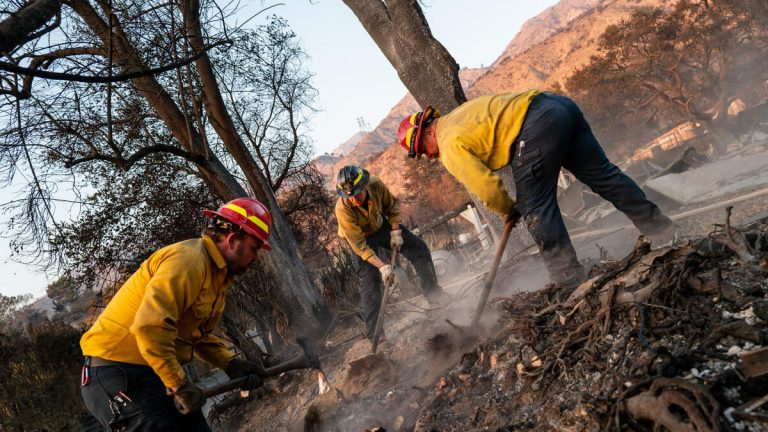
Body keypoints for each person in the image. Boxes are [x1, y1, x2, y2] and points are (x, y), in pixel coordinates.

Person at [397, 90, 676, 285]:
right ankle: (660, 228)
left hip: (537, 126)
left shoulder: (448, 144)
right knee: (603, 176)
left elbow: (485, 186)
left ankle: (568, 279)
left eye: (422, 148)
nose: (427, 155)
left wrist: (508, 210)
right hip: (558, 106)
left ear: (428, 130)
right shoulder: (459, 116)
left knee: (535, 208)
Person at [80, 197, 273, 431]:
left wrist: (231, 364)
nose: (256, 257)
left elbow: (194, 335)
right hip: (119, 374)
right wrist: (179, 384)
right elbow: (149, 328)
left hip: (156, 370)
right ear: (232, 240)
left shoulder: (216, 274)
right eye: (254, 248)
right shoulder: (189, 261)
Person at [334, 165, 449, 343]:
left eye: (357, 193)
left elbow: (392, 207)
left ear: (364, 186)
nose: (354, 199)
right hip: (361, 239)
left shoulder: (375, 184)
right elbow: (360, 247)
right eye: (349, 196)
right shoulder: (343, 210)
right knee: (370, 282)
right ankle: (376, 336)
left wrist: (395, 232)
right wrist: (383, 267)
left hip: (380, 226)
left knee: (418, 248)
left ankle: (434, 294)